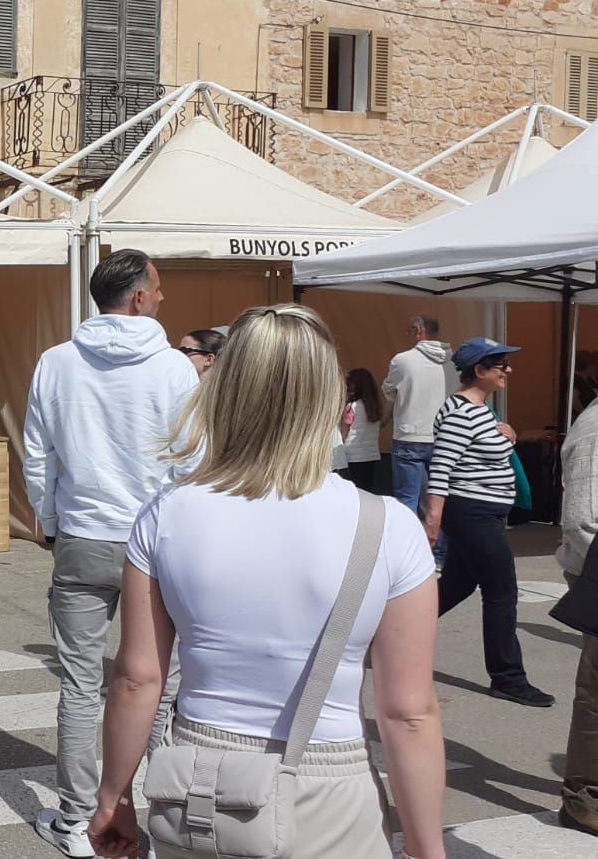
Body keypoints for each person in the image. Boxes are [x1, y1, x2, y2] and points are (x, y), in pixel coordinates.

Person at [85, 304, 445, 859]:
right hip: (329, 780)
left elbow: (137, 679)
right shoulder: (388, 525)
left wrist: (114, 796)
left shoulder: (167, 513)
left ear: (224, 393)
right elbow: (408, 713)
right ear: (333, 401)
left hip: (198, 783)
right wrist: (426, 847)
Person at [21, 249, 199, 857]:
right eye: (158, 288)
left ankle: (78, 818)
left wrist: (49, 521)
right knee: (162, 687)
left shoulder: (56, 362)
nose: (163, 297)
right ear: (140, 298)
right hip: (157, 536)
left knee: (78, 685)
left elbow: (37, 452)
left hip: (84, 533)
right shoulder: (175, 368)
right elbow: (193, 460)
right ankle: (167, 811)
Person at [424, 337, 554, 707]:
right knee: (502, 591)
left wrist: (506, 434)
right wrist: (433, 520)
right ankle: (508, 677)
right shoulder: (461, 412)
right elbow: (441, 468)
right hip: (472, 514)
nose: (508, 370)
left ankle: (385, 634)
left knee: (456, 586)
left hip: (485, 513)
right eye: (500, 364)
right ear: (479, 371)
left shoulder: (481, 411)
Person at [556, 399, 598, 837]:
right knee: (596, 693)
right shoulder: (595, 430)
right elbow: (583, 520)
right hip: (595, 571)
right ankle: (584, 798)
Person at [384, 316, 450, 517]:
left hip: (410, 434)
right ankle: (440, 548)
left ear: (418, 330)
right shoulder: (454, 361)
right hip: (444, 435)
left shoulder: (402, 360)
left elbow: (388, 390)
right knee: (441, 500)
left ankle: (409, 546)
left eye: (409, 331)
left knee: (407, 500)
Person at [340, 367, 385, 491]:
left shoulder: (351, 407)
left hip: (353, 456)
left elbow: (344, 433)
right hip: (371, 455)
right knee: (366, 489)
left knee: (353, 491)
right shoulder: (375, 408)